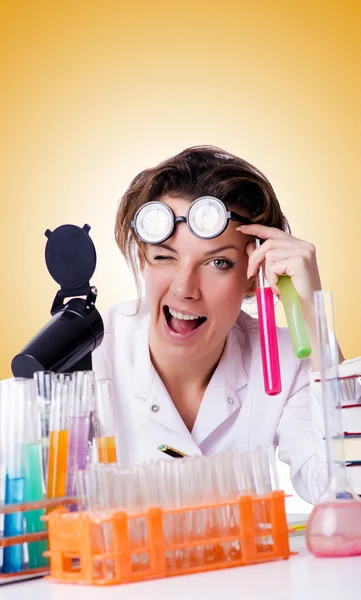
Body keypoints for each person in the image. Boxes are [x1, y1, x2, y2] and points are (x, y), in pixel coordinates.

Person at [91, 145, 355, 504]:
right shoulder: (90, 353)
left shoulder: (285, 361)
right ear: (143, 260)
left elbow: (345, 493)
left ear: (253, 275)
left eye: (218, 263)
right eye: (164, 258)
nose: (184, 288)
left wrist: (313, 314)